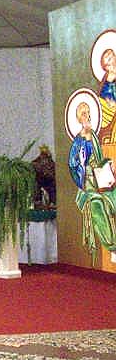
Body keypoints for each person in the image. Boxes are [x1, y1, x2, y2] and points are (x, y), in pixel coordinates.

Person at [69, 101, 116, 252]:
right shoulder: (78, 141)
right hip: (87, 183)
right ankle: (112, 245)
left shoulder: (94, 137)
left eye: (88, 113)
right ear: (79, 118)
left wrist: (109, 164)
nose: (87, 116)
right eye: (84, 114)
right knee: (97, 203)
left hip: (100, 179)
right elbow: (73, 163)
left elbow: (100, 159)